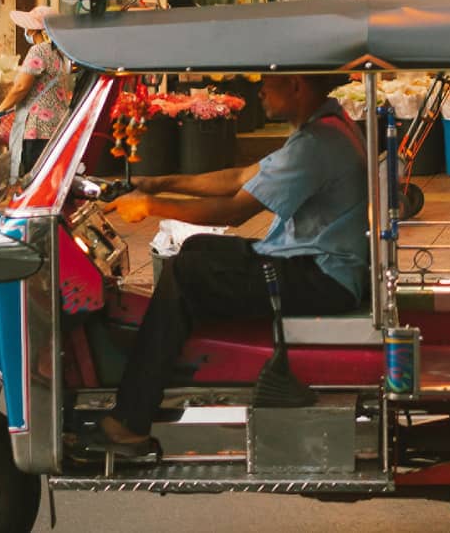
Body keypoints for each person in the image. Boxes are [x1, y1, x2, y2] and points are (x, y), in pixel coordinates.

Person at [93, 72, 367, 450]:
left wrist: (151, 206)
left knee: (186, 272)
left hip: (323, 277)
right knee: (196, 250)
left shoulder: (316, 144)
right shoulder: (322, 129)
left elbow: (234, 210)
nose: (261, 90)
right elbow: (239, 177)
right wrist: (160, 183)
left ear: (297, 86)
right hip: (311, 263)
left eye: (270, 81)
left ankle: (130, 418)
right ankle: (168, 370)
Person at [0, 5, 75, 176]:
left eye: (29, 27)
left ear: (36, 30)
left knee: (33, 178)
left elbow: (20, 87)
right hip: (55, 127)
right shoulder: (59, 53)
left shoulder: (39, 50)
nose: (26, 31)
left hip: (38, 129)